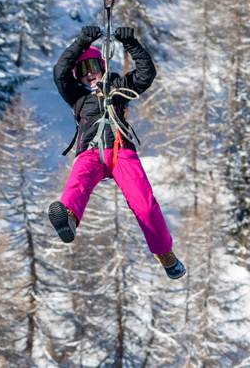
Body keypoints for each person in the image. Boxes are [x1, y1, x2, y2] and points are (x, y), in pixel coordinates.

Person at [49, 25, 186, 279]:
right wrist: (82, 41)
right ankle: (68, 216)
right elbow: (59, 72)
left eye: (93, 68)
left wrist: (132, 44)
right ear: (77, 76)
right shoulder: (77, 96)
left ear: (102, 67)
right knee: (79, 179)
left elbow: (146, 74)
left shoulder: (117, 87)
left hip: (121, 151)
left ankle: (165, 254)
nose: (90, 75)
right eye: (83, 70)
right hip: (91, 151)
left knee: (145, 206)